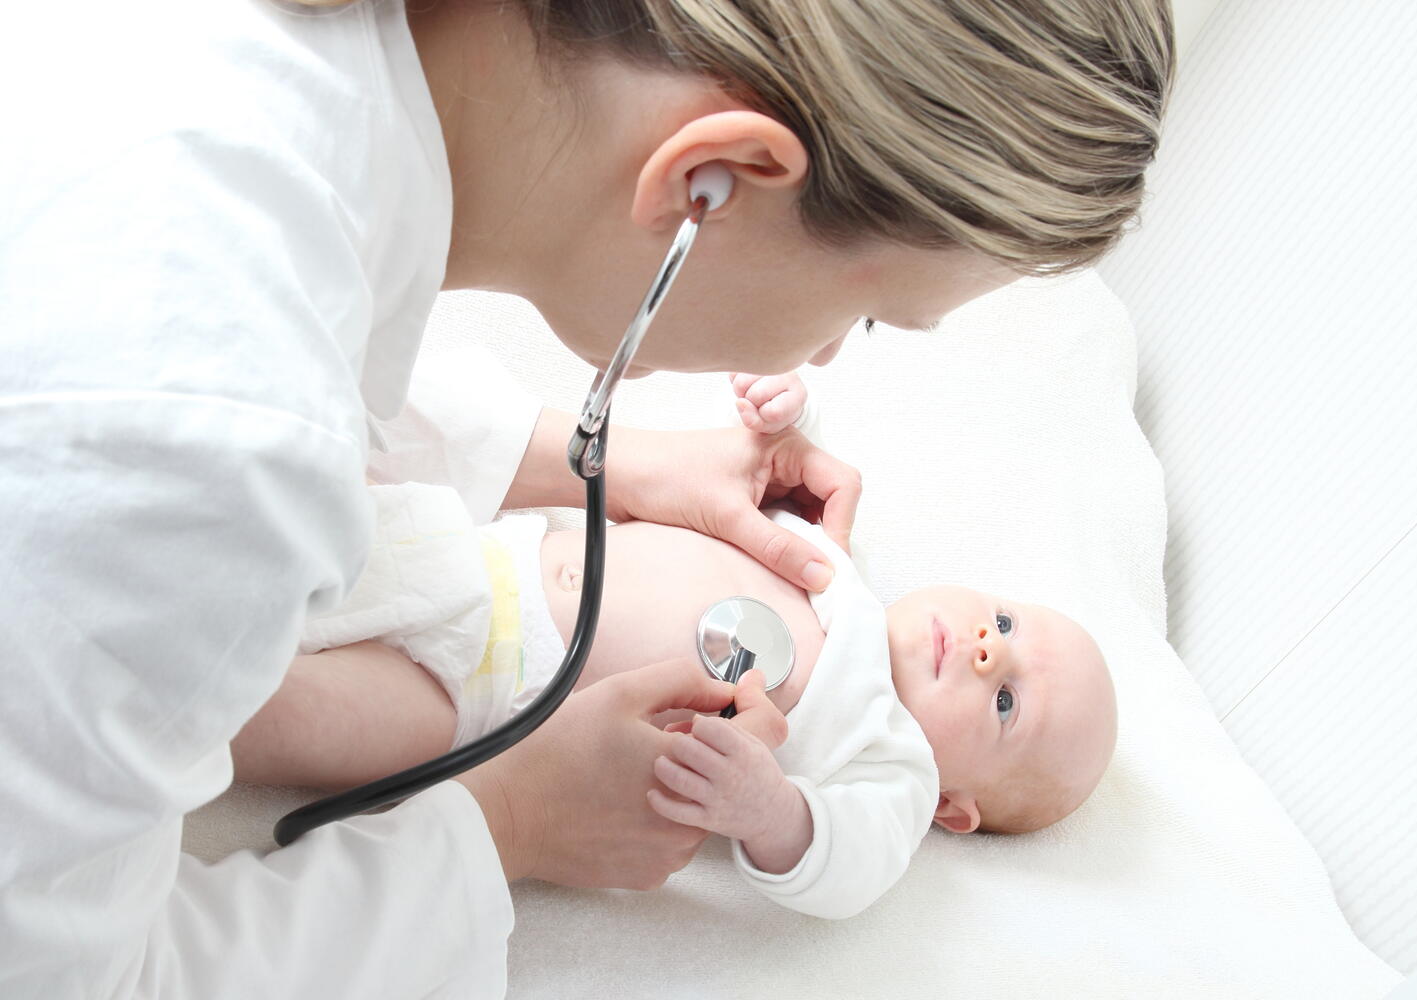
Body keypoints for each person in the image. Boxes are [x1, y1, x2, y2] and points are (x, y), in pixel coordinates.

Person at [0, 0, 1171, 994]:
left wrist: (612, 459)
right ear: (712, 184)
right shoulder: (206, 452)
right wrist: (509, 823)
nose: (818, 365)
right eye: (862, 318)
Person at [232, 369, 1117, 919]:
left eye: (1005, 703)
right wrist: (782, 412)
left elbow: (847, 866)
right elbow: (746, 476)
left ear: (952, 810)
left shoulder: (892, 764)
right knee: (302, 495)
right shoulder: (831, 565)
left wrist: (771, 813)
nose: (984, 651)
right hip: (475, 548)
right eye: (1002, 622)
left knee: (274, 716)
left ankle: (151, 710)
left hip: (483, 700)